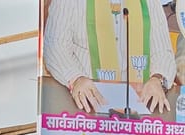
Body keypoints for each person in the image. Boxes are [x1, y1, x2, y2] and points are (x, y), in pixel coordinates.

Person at [43, 0, 176, 114]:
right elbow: (55, 47)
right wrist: (76, 78)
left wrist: (158, 78)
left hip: (140, 108)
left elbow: (163, 51)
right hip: (88, 106)